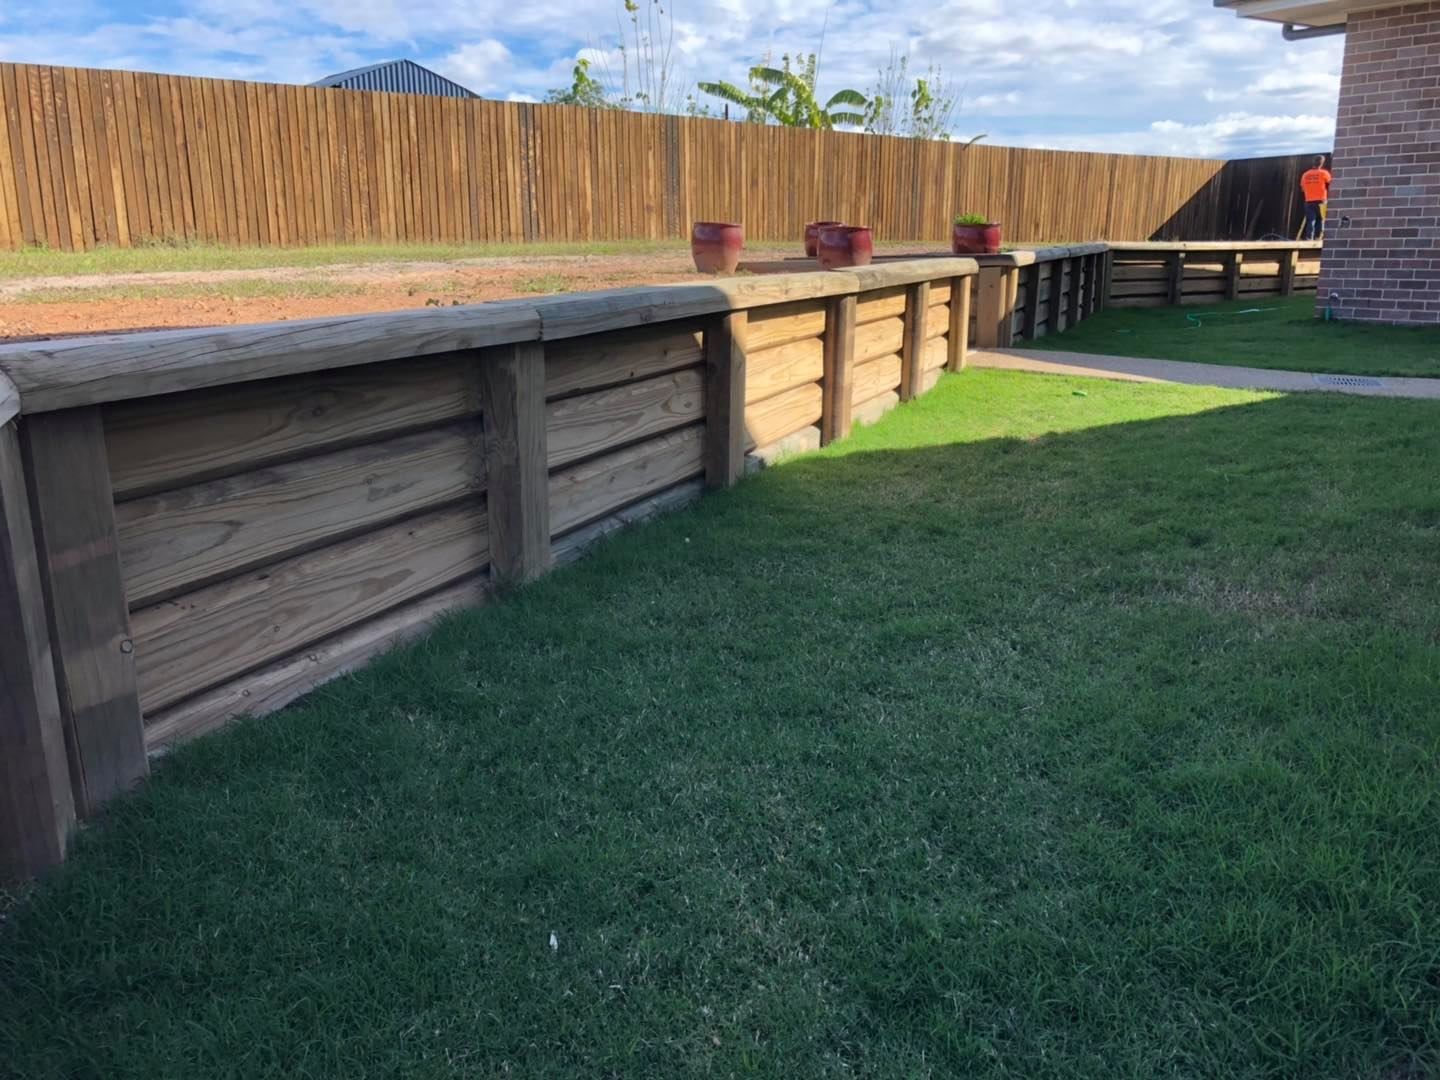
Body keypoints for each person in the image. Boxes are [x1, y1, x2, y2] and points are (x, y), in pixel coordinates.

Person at [1300, 155, 1332, 240]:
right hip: (1322, 201)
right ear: (1322, 163)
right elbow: (1331, 183)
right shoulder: (1324, 173)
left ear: (1313, 162)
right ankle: (1318, 238)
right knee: (1321, 221)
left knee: (1311, 221)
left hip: (1309, 201)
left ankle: (1309, 239)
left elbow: (1302, 188)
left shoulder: (1305, 175)